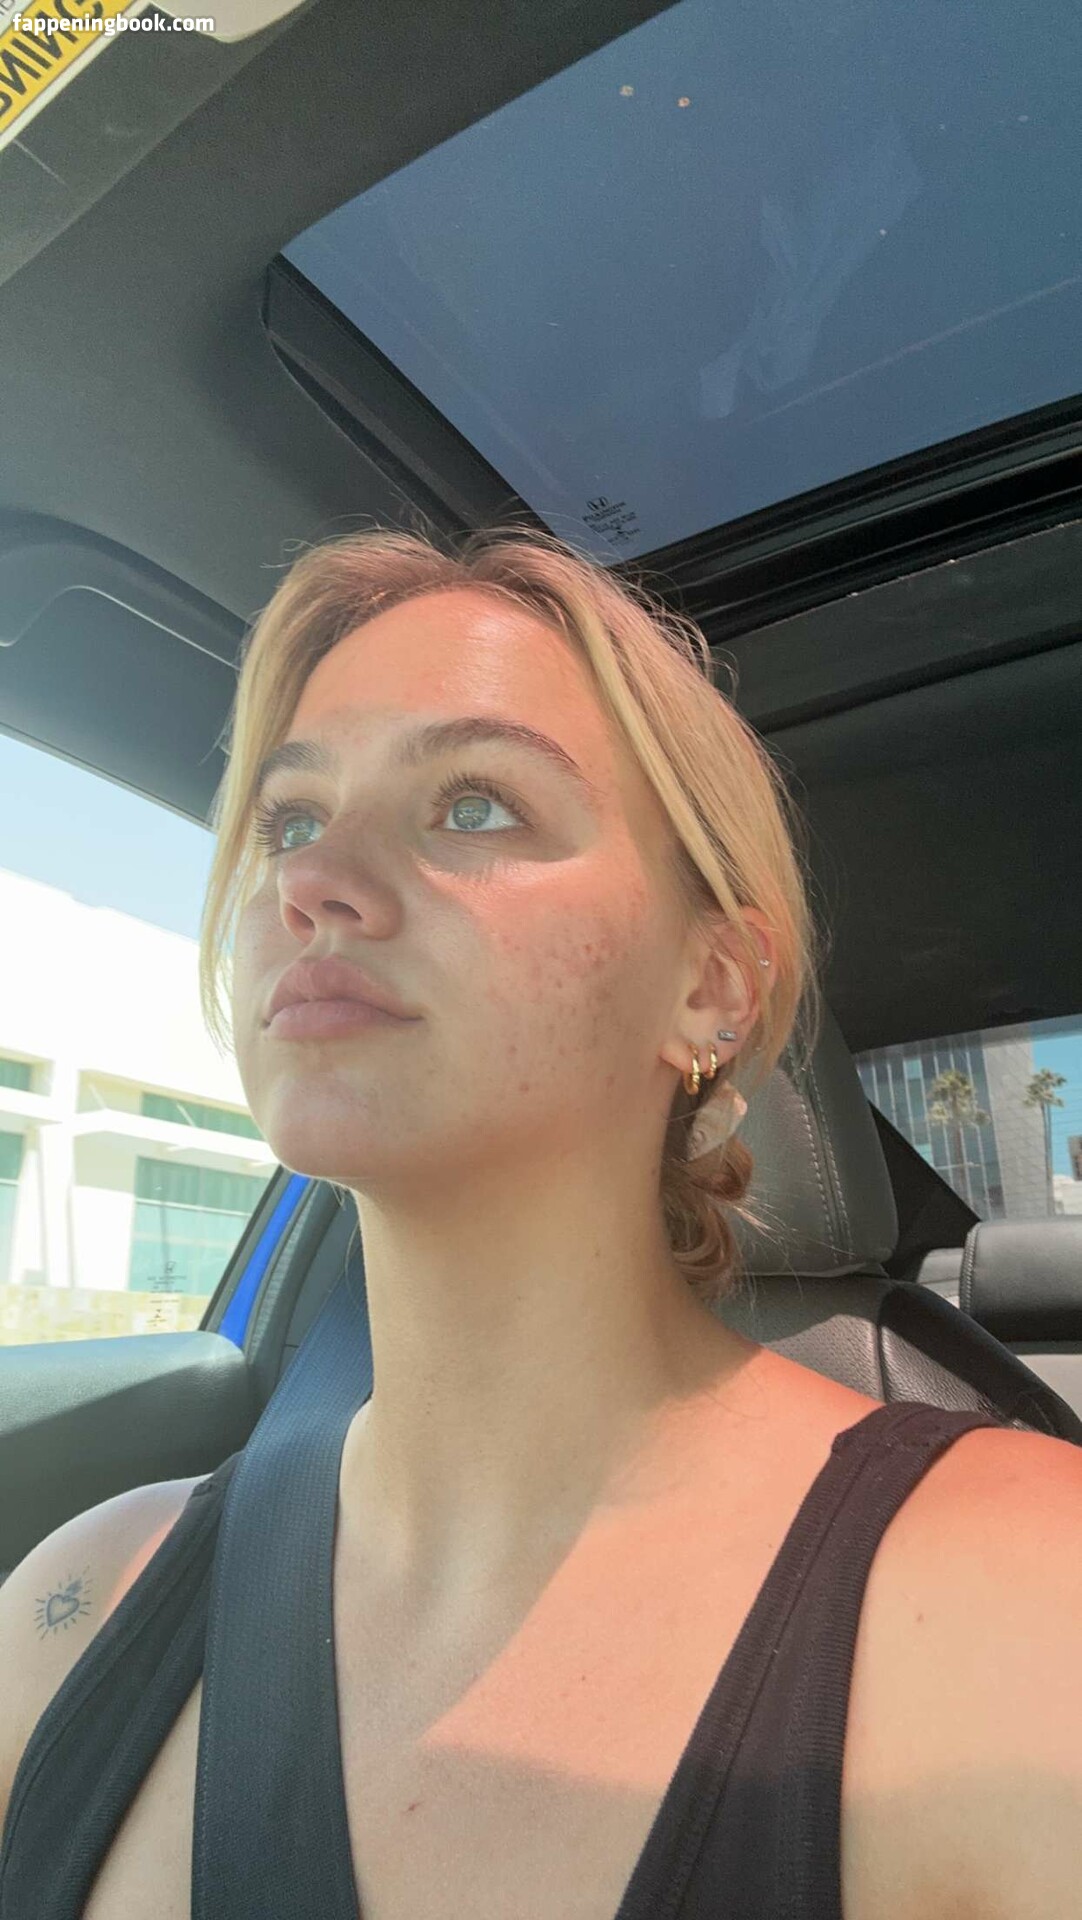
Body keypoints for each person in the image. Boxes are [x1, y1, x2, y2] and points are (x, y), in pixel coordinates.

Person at [2, 522, 1081, 1920]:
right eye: (289, 820)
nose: (311, 881)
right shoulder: (73, 1607)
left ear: (711, 988)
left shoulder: (1026, 1604)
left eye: (473, 805)